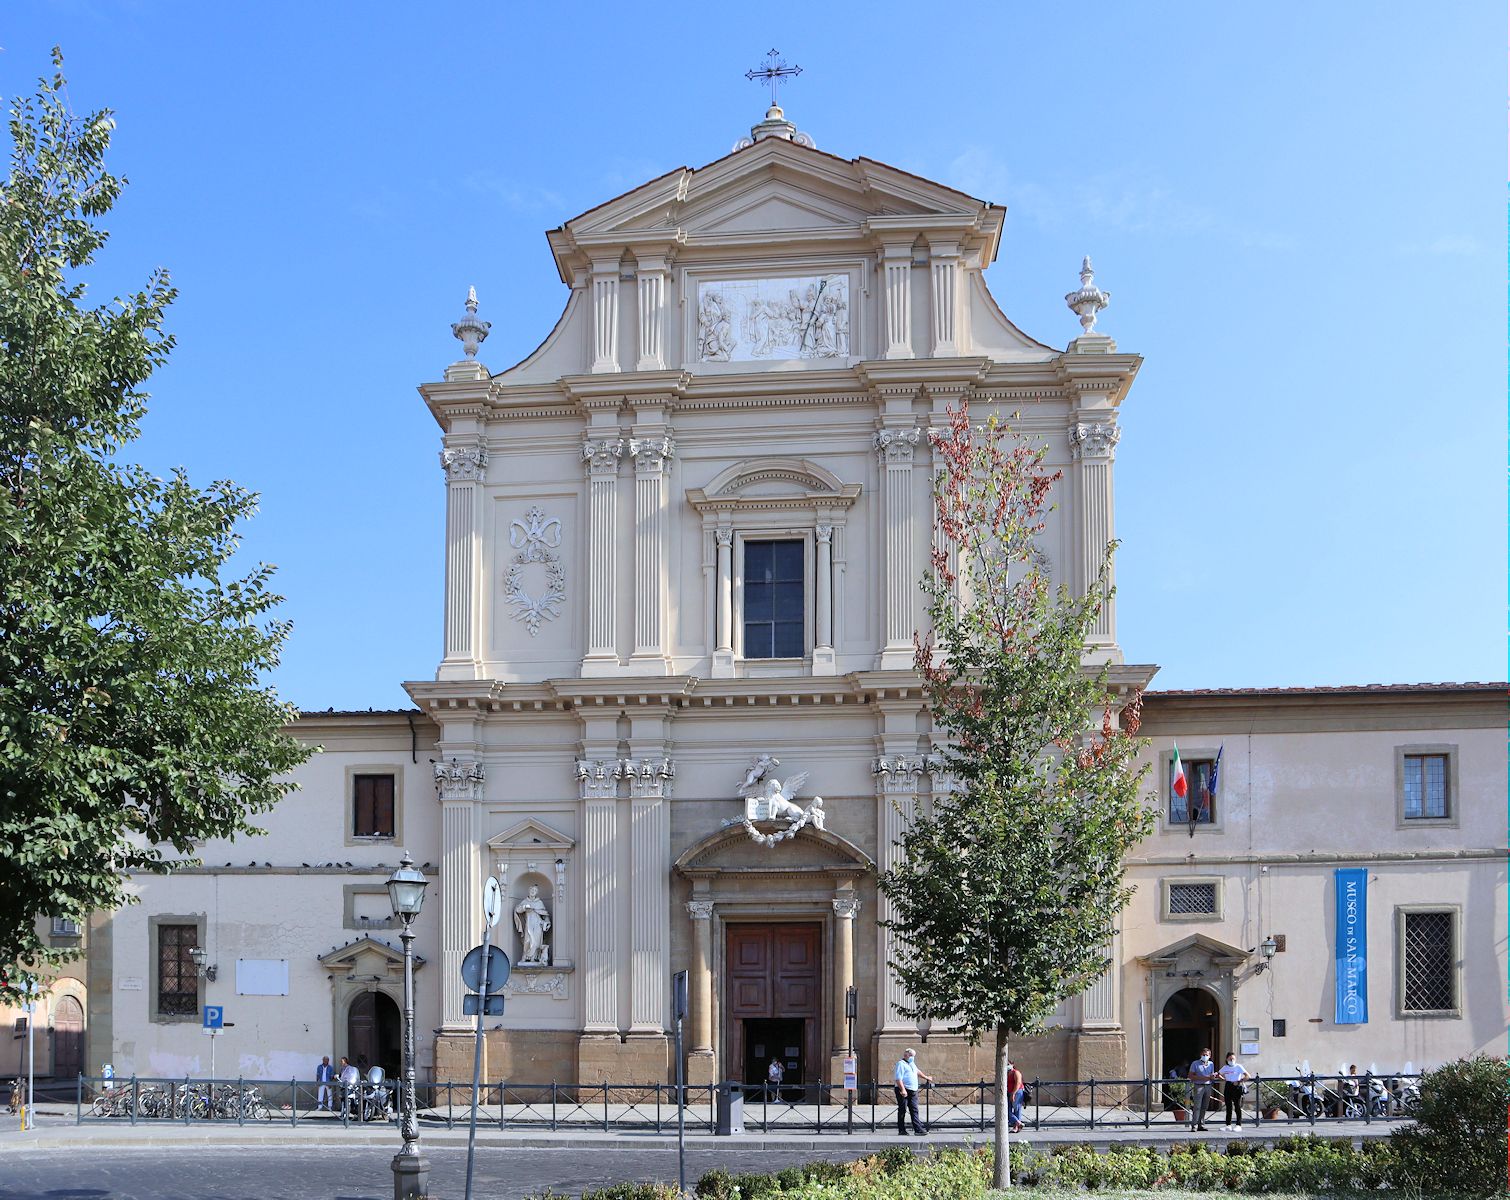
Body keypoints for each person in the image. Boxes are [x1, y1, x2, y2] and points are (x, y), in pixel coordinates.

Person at [893, 1048, 932, 1136]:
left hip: (913, 1090)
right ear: (906, 1055)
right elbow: (898, 1078)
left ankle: (918, 1129)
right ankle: (901, 1130)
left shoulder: (912, 1063)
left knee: (914, 1109)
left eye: (913, 1056)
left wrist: (926, 1077)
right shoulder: (900, 1064)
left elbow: (917, 1072)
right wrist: (902, 1089)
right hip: (904, 1089)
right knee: (902, 1109)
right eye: (911, 1056)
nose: (912, 1057)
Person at [1217, 1051, 1249, 1130]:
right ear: (1227, 1059)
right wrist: (1224, 1079)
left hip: (1236, 1086)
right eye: (1230, 1059)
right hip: (1228, 1085)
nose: (1232, 1060)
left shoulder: (1239, 1066)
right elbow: (1218, 1074)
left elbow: (1247, 1076)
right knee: (1228, 1106)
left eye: (1233, 1059)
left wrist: (1239, 1081)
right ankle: (1228, 1125)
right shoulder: (1225, 1067)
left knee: (1237, 1105)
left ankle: (1238, 1124)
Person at [1187, 1048, 1216, 1132]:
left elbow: (1211, 1075)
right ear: (1200, 1055)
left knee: (1204, 1106)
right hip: (1198, 1085)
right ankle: (1194, 1125)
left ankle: (1201, 1124)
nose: (1205, 1056)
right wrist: (1205, 1077)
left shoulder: (1211, 1064)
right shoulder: (1195, 1063)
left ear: (1210, 1056)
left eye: (1207, 1055)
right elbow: (1190, 1075)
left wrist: (1214, 1076)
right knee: (1197, 1106)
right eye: (1203, 1055)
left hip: (1208, 1086)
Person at [1006, 1060, 1025, 1133]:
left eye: (1008, 1064)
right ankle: (1018, 1123)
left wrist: (1013, 1093)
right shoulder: (1006, 1073)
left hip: (1017, 1092)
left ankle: (1016, 1127)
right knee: (1007, 1110)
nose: (1007, 1065)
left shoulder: (1016, 1072)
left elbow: (1018, 1083)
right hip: (1009, 1092)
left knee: (1017, 1109)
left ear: (1012, 1064)